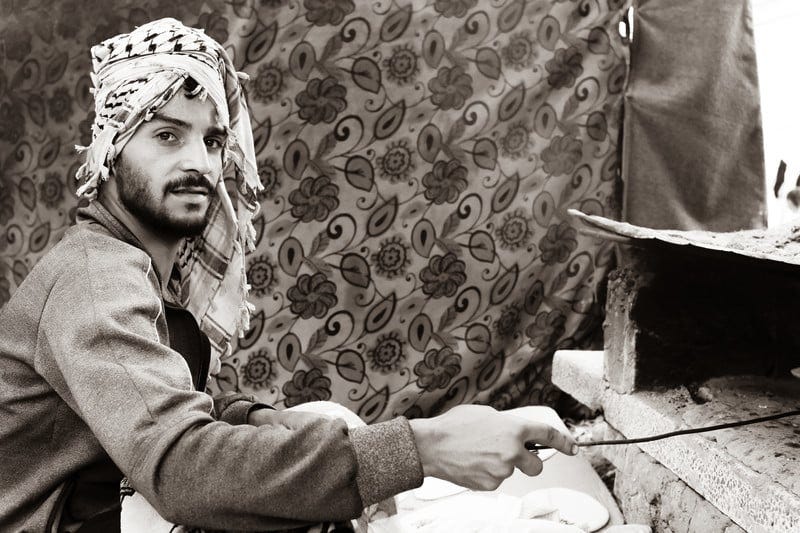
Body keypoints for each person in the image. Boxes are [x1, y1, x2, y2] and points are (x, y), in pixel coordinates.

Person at [0, 18, 578, 532]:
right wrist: (424, 448)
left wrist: (267, 421)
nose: (199, 163)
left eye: (212, 140)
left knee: (318, 430)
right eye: (167, 135)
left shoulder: (140, 269)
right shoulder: (96, 279)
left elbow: (157, 411)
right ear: (111, 147)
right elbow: (182, 470)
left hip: (102, 500)